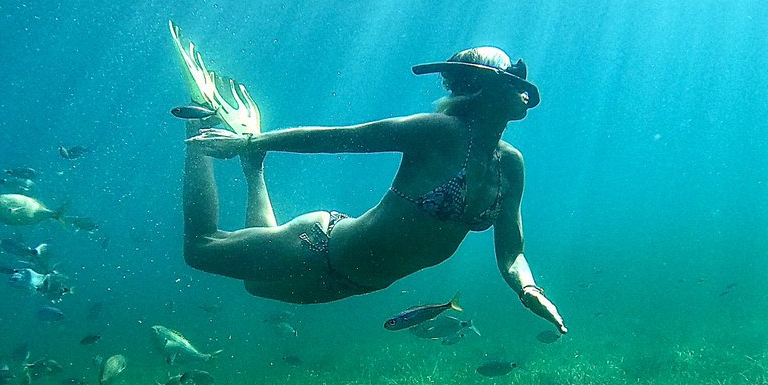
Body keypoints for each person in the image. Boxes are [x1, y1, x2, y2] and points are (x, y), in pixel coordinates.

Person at [175, 31, 566, 333]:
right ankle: (199, 123)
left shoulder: (511, 164)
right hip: (319, 246)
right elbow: (341, 137)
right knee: (199, 249)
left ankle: (253, 167)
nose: (522, 87)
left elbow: (511, 252)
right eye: (512, 77)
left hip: (355, 281)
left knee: (253, 284)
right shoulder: (436, 131)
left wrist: (528, 289)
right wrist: (250, 139)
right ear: (484, 85)